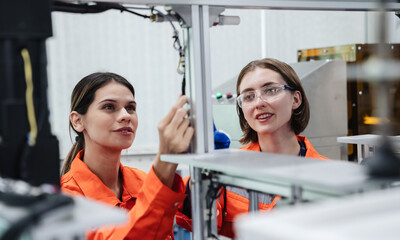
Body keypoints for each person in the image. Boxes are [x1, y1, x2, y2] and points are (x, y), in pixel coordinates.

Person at [176, 58, 328, 238]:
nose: (259, 103)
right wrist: (202, 170)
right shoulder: (230, 167)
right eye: (248, 96)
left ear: (296, 99)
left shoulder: (326, 175)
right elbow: (194, 217)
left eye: (271, 90)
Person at [60, 72, 193, 240]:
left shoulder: (143, 182)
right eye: (109, 106)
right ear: (77, 121)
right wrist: (165, 163)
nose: (126, 116)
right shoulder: (64, 204)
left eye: (130, 108)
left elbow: (212, 210)